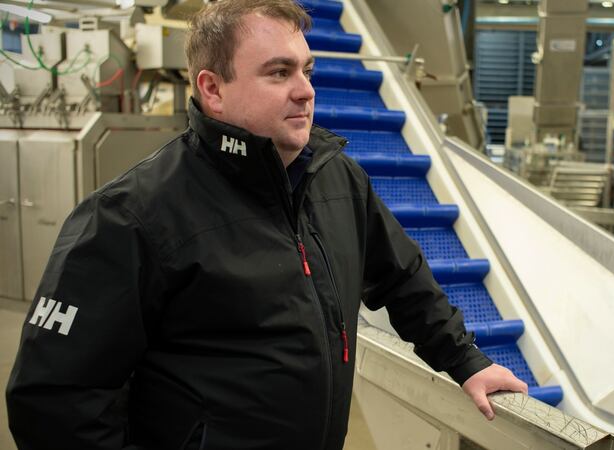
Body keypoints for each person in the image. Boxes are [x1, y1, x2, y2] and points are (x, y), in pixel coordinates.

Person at [6, 1, 527, 448]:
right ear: (212, 88)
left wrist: (465, 359)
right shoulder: (132, 215)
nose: (305, 91)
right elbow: (55, 400)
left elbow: (402, 276)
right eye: (279, 73)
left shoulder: (335, 177)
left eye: (307, 69)